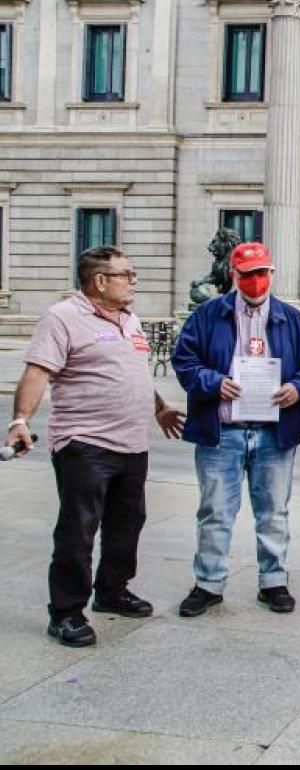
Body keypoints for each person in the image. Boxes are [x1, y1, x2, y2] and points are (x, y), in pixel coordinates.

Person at [6, 246, 184, 647]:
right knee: (78, 529)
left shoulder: (130, 318)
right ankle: (66, 612)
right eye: (126, 275)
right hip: (84, 442)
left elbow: (131, 371)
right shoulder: (64, 317)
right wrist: (21, 420)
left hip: (132, 443)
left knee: (128, 523)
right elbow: (38, 371)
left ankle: (112, 591)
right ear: (100, 281)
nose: (134, 281)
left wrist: (158, 406)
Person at [172, 242, 300, 617]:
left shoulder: (292, 318)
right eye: (248, 275)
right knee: (215, 510)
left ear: (271, 274)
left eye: (262, 274)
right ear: (234, 276)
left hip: (275, 432)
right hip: (223, 431)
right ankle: (208, 583)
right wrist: (211, 381)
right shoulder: (208, 315)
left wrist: (299, 387)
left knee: (273, 511)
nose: (256, 282)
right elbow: (184, 360)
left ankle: (273, 581)